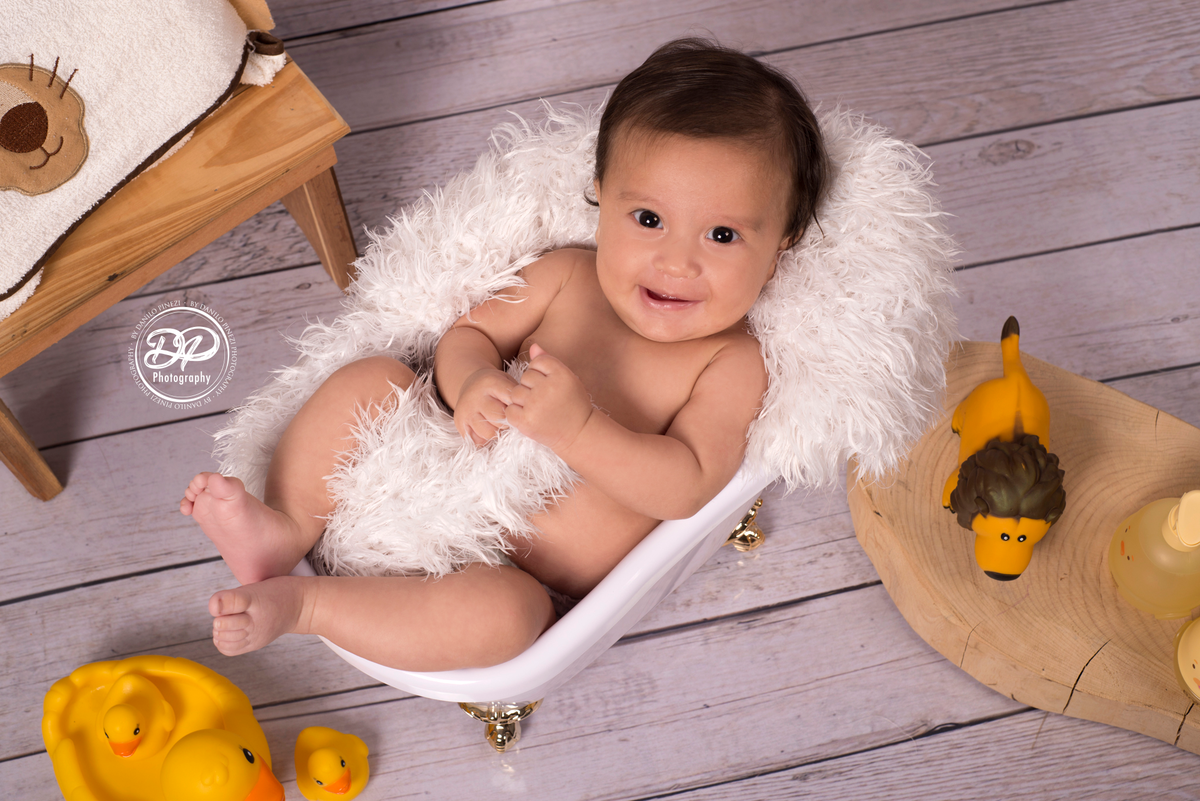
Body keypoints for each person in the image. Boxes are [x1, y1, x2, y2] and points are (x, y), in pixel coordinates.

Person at [180, 38, 828, 671]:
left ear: (782, 242)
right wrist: (470, 382)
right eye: (649, 219)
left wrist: (578, 431)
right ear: (602, 196)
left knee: (509, 619)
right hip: (428, 473)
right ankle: (287, 525)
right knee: (374, 378)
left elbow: (687, 486)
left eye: (723, 234)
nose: (677, 261)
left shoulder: (731, 361)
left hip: (519, 573)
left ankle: (306, 604)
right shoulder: (570, 274)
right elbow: (470, 335)